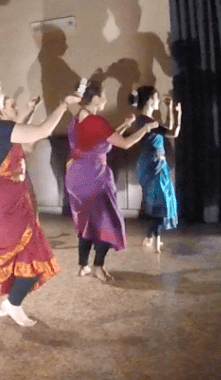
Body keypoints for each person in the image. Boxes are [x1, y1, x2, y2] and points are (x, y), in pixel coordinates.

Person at [0, 72, 79, 326]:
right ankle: (13, 303)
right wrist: (63, 104)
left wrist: (29, 112)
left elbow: (15, 134)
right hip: (7, 202)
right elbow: (42, 130)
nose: (2, 95)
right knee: (35, 253)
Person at [66, 78, 157, 281]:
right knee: (109, 222)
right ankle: (98, 266)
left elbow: (103, 139)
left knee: (87, 221)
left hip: (76, 176)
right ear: (95, 98)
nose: (106, 100)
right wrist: (145, 129)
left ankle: (82, 266)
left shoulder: (76, 119)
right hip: (94, 176)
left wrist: (125, 125)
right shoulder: (96, 121)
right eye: (104, 95)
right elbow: (124, 144)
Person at [130, 86, 181, 252]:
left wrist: (172, 111)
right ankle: (154, 240)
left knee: (163, 202)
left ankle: (151, 237)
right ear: (149, 100)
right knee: (162, 204)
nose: (158, 101)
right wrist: (174, 112)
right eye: (156, 98)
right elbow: (172, 131)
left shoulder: (148, 121)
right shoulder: (145, 121)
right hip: (152, 165)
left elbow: (170, 131)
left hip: (158, 165)